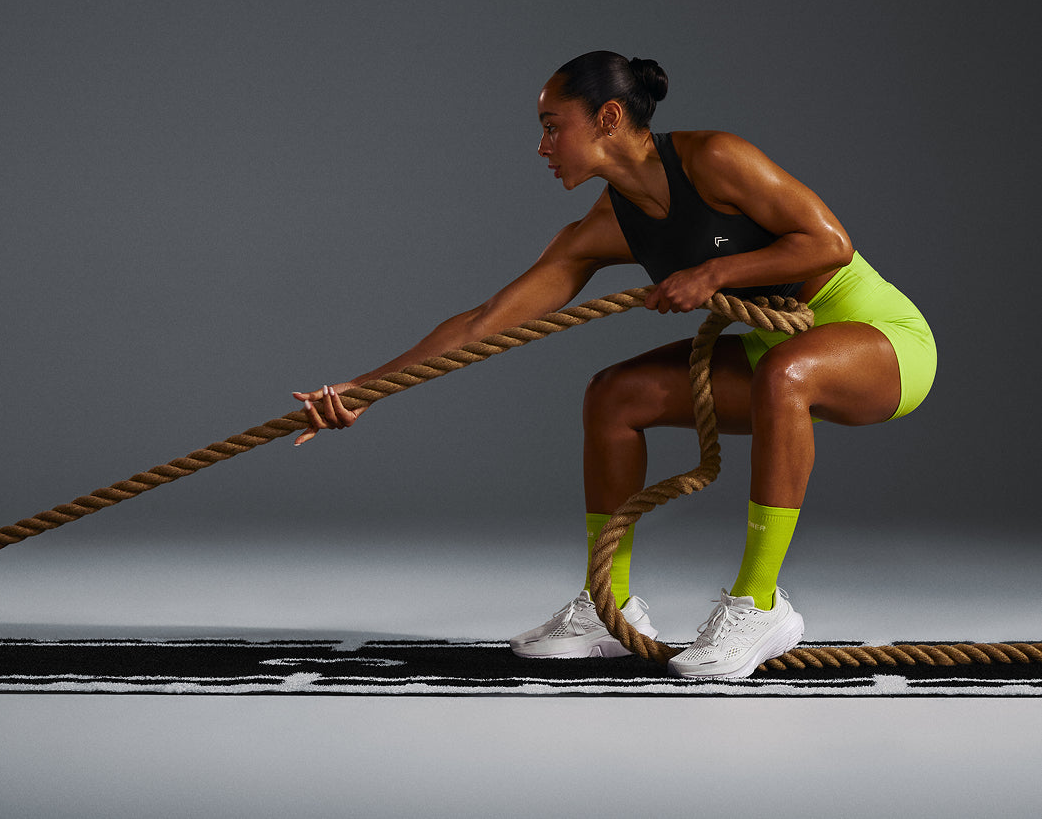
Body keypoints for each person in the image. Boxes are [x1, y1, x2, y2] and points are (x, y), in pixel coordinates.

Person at [293, 51, 936, 680]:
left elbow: (830, 243)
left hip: (884, 343)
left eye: (552, 127)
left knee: (786, 372)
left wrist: (713, 273)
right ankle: (610, 609)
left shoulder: (715, 159)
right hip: (775, 354)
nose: (542, 146)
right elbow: (484, 322)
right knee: (614, 395)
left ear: (607, 118)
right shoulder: (604, 229)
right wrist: (366, 389)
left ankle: (759, 603)